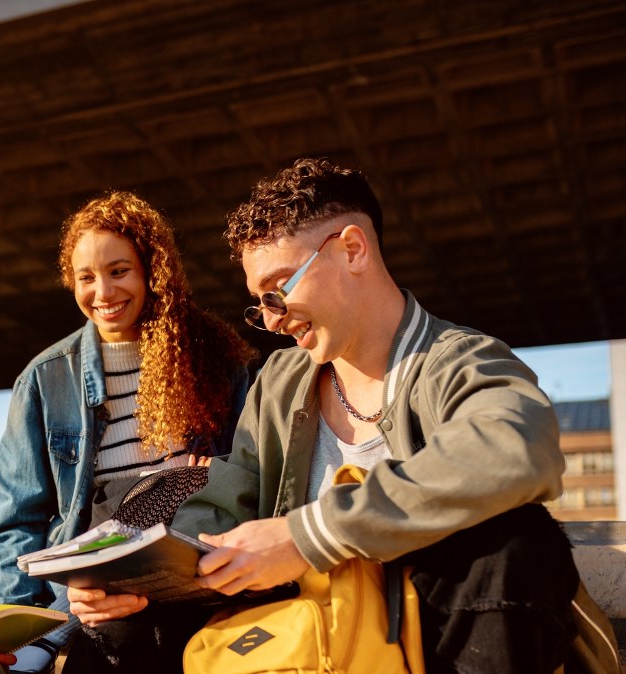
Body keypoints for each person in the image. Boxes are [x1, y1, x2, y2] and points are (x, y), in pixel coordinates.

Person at [84, 157, 580, 672]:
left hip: (425, 635)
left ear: (352, 250)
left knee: (515, 542)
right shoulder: (279, 383)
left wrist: (308, 536)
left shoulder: (457, 360)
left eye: (278, 289)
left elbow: (516, 450)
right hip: (300, 639)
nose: (272, 321)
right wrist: (127, 577)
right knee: (121, 617)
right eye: (260, 304)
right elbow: (228, 506)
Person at [0, 191, 255, 672]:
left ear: (153, 271)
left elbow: (250, 489)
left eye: (119, 271)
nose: (103, 293)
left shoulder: (217, 360)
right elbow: (12, 524)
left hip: (201, 600)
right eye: (86, 277)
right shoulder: (46, 379)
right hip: (90, 612)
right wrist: (33, 631)